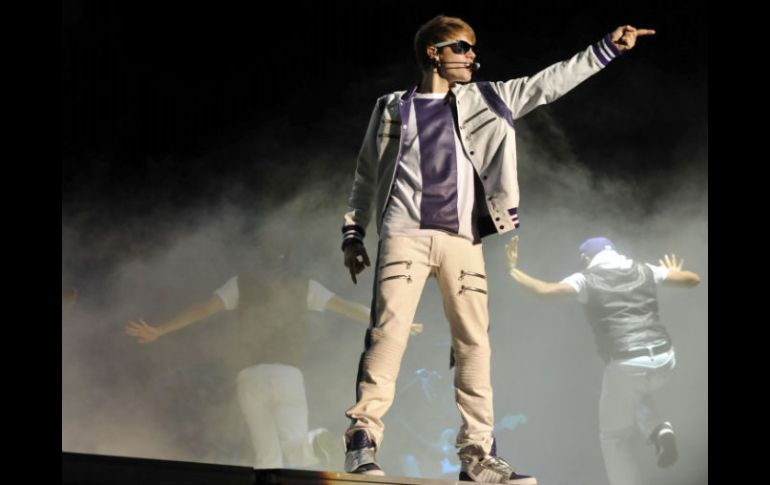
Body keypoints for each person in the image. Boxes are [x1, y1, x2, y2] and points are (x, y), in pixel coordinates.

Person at [340, 13, 654, 484]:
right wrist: (353, 233)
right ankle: (362, 440)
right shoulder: (390, 108)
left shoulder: (488, 98)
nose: (472, 56)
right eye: (462, 47)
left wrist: (606, 49)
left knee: (474, 344)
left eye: (472, 48)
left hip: (463, 240)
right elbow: (366, 175)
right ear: (434, 53)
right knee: (388, 335)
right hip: (404, 234)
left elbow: (548, 83)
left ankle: (478, 456)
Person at [126, 271, 421, 470]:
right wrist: (393, 325)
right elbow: (348, 308)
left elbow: (203, 308)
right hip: (288, 376)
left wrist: (160, 330)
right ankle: (315, 441)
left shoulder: (241, 284)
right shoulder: (304, 286)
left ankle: (304, 449)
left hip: (250, 377)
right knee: (296, 447)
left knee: (266, 454)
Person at [506, 235, 700, 485]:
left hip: (626, 363)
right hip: (665, 359)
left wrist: (513, 270)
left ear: (586, 258)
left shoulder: (585, 278)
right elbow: (693, 279)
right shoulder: (645, 269)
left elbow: (544, 291)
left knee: (613, 437)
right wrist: (674, 273)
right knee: (635, 393)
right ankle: (659, 429)